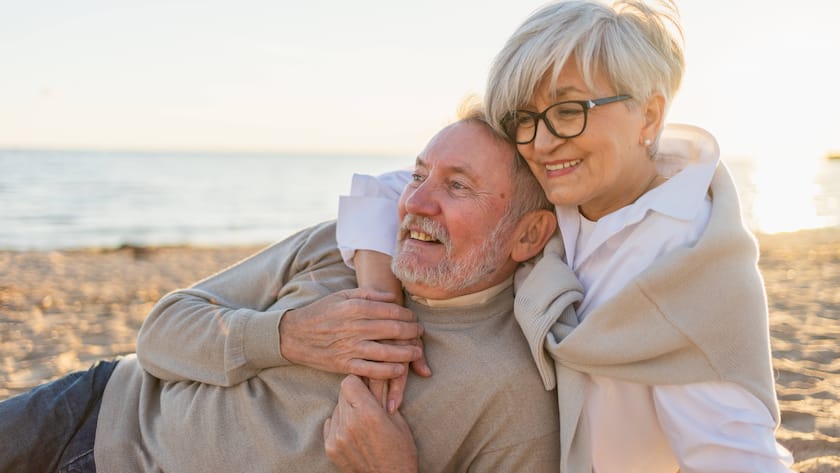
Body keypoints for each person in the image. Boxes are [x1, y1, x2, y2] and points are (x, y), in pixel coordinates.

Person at [326, 1, 795, 472]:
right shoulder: (571, 189)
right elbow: (388, 191)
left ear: (649, 117)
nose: (541, 143)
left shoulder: (688, 273)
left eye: (570, 111)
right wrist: (380, 315)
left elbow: (741, 457)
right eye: (524, 118)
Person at [0, 113, 563, 472]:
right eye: (418, 176)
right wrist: (285, 336)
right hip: (99, 408)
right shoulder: (343, 245)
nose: (415, 203)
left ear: (528, 234)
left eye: (457, 186)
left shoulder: (513, 393)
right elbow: (160, 331)